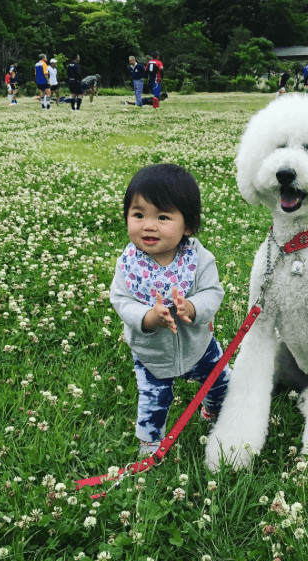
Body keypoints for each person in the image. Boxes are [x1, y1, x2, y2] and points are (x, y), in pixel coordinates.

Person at [110, 163, 230, 457]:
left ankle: (214, 410)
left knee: (222, 382)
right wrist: (148, 317)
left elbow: (213, 292)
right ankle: (150, 447)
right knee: (153, 401)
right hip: (152, 354)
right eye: (138, 215)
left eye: (163, 217)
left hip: (199, 345)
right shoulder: (129, 264)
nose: (148, 225)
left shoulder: (198, 258)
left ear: (187, 225)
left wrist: (192, 306)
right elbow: (121, 300)